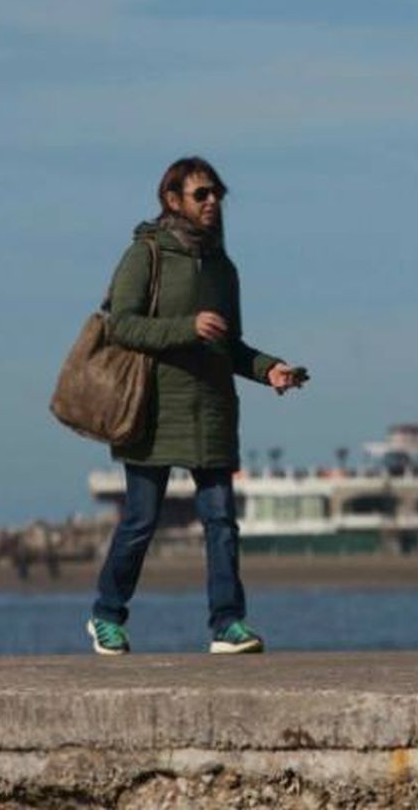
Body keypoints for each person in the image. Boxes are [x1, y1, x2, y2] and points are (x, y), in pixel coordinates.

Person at [87, 157, 304, 656]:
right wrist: (186, 328)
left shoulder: (224, 268)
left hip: (211, 412)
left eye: (216, 195)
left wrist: (269, 368)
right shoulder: (146, 254)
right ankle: (106, 614)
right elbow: (120, 325)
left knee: (222, 521)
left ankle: (227, 624)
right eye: (201, 194)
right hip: (152, 410)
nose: (212, 203)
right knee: (141, 521)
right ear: (172, 199)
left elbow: (230, 346)